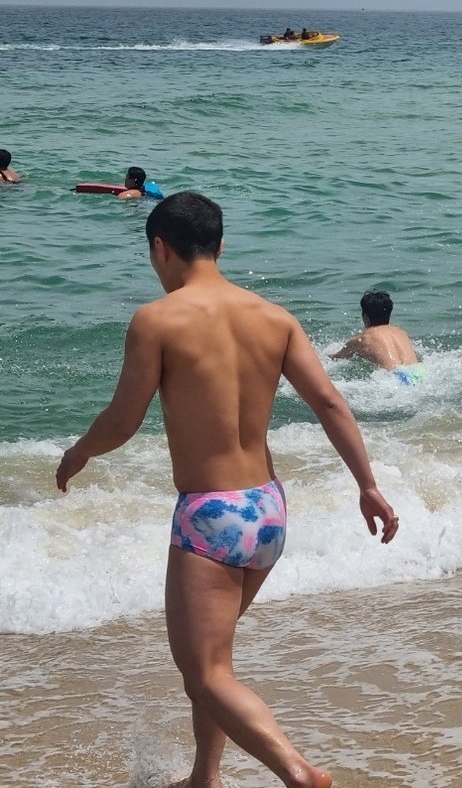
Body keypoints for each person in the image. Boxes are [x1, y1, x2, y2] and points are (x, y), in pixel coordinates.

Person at [55, 191, 398, 788]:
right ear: (221, 245)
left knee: (205, 671)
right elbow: (329, 402)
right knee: (213, 663)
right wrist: (367, 485)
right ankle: (204, 777)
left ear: (161, 249)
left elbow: (124, 418)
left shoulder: (158, 319)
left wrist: (80, 451)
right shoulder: (274, 317)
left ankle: (299, 774)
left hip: (210, 514)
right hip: (267, 509)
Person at [332, 289, 424, 386]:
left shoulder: (363, 339)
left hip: (394, 380)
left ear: (365, 317)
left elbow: (336, 358)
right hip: (418, 373)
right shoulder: (401, 332)